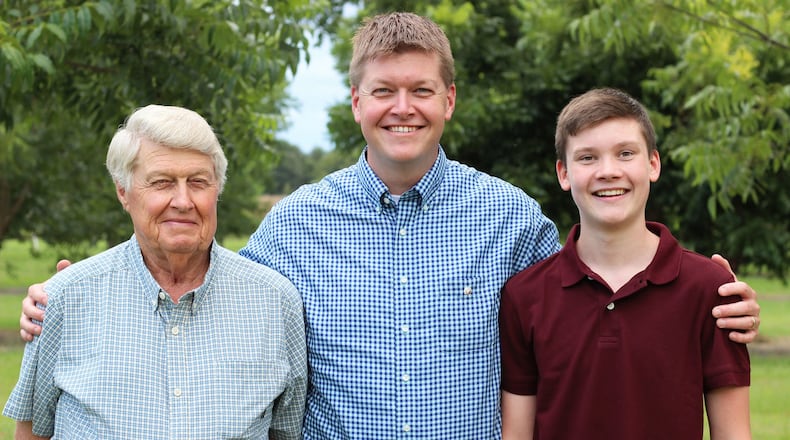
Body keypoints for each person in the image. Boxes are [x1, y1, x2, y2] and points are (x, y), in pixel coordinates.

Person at [19, 13, 760, 439]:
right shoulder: (296, 225)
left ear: (449, 100)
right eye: (384, 90)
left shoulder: (510, 219)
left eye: (420, 90)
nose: (401, 106)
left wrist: (714, 294)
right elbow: (201, 281)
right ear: (356, 103)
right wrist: (77, 292)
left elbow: (595, 281)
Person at [4, 105, 307, 439]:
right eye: (162, 182)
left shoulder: (276, 303)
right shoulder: (64, 298)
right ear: (123, 191)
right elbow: (32, 433)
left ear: (217, 189)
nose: (182, 200)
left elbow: (286, 432)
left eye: (198, 182)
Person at [499, 88, 751, 439]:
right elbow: (517, 432)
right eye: (587, 158)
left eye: (625, 153)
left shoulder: (710, 289)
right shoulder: (524, 295)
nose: (608, 171)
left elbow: (734, 433)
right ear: (563, 173)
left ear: (653, 164)